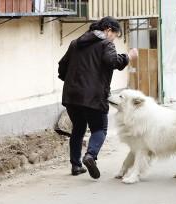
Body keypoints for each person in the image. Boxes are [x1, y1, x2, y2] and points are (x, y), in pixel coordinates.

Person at [58, 16, 138, 179]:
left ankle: (76, 165)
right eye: (115, 34)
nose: (114, 38)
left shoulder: (75, 43)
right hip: (93, 97)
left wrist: (73, 81)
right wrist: (128, 57)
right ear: (108, 30)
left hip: (71, 96)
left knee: (78, 128)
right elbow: (112, 61)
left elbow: (62, 67)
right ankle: (90, 156)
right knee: (100, 128)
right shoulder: (106, 43)